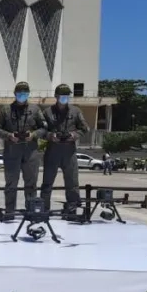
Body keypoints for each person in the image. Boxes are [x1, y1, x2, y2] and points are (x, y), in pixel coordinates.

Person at [0, 82, 47, 218]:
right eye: (19, 93)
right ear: (15, 94)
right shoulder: (6, 110)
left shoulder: (35, 110)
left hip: (31, 151)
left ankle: (31, 212)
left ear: (28, 94)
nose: (22, 96)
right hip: (12, 150)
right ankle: (10, 212)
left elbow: (44, 128)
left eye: (25, 93)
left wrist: (34, 135)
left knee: (31, 183)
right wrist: (9, 135)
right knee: (11, 183)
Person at [40, 84, 90, 214]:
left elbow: (85, 128)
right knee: (47, 182)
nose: (65, 98)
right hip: (53, 150)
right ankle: (44, 209)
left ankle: (72, 209)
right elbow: (41, 130)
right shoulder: (47, 112)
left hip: (69, 151)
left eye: (67, 96)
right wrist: (50, 136)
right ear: (56, 96)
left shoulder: (75, 111)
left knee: (72, 182)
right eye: (62, 96)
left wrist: (74, 135)